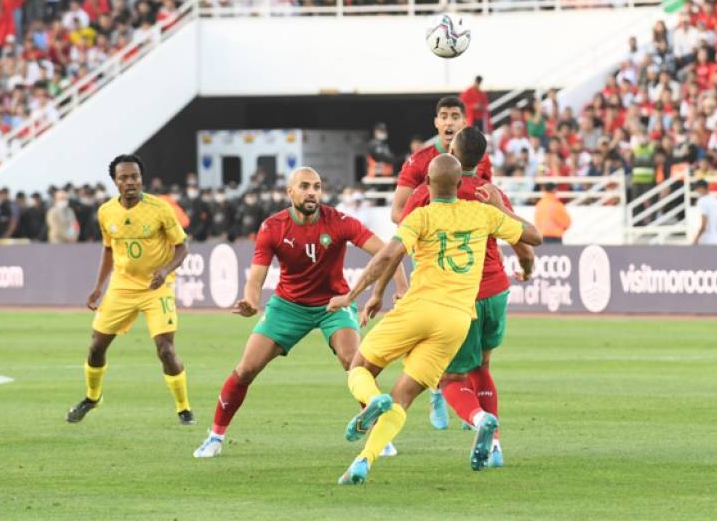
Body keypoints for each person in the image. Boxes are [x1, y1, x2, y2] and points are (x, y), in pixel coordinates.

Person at [327, 154, 542, 484]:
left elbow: (388, 255)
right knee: (406, 396)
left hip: (418, 308)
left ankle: (372, 403)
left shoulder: (421, 216)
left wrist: (355, 295)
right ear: (459, 184)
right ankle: (363, 460)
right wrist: (500, 207)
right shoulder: (483, 213)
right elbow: (535, 237)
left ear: (426, 184)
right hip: (455, 320)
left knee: (359, 367)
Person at [193, 167, 407, 458]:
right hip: (288, 306)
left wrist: (401, 287)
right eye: (305, 186)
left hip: (333, 304)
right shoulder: (273, 227)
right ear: (289, 192)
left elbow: (388, 252)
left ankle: (380, 433)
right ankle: (215, 437)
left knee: (355, 363)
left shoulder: (340, 222)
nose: (312, 192)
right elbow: (256, 278)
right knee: (245, 369)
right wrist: (249, 301)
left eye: (317, 187)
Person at [401, 127, 535, 465]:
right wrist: (527, 270)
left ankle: (478, 419)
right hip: (496, 289)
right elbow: (524, 244)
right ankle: (497, 447)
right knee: (483, 367)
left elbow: (402, 240)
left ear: (452, 152)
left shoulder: (429, 190)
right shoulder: (492, 193)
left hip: (458, 295)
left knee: (450, 377)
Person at [66, 154, 193, 425]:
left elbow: (183, 247)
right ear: (115, 181)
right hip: (122, 287)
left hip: (156, 288)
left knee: (166, 350)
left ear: (141, 179)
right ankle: (92, 397)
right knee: (95, 348)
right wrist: (98, 287)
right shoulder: (106, 212)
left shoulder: (160, 208)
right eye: (123, 177)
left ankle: (183, 408)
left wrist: (164, 270)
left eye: (134, 176)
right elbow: (109, 249)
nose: (130, 182)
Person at [389, 96, 493, 425]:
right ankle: (440, 391)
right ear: (436, 123)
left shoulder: (479, 156)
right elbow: (397, 211)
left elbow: (486, 198)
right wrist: (427, 219)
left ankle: (467, 403)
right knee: (435, 327)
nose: (449, 122)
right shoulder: (420, 161)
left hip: (467, 260)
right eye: (443, 116)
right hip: (432, 255)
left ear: (463, 122)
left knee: (472, 342)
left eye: (455, 116)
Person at [692, 180, 717, 245]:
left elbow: (704, 224)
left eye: (697, 189)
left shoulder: (702, 201)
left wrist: (696, 239)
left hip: (706, 240)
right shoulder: (716, 200)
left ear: (701, 188)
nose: (697, 191)